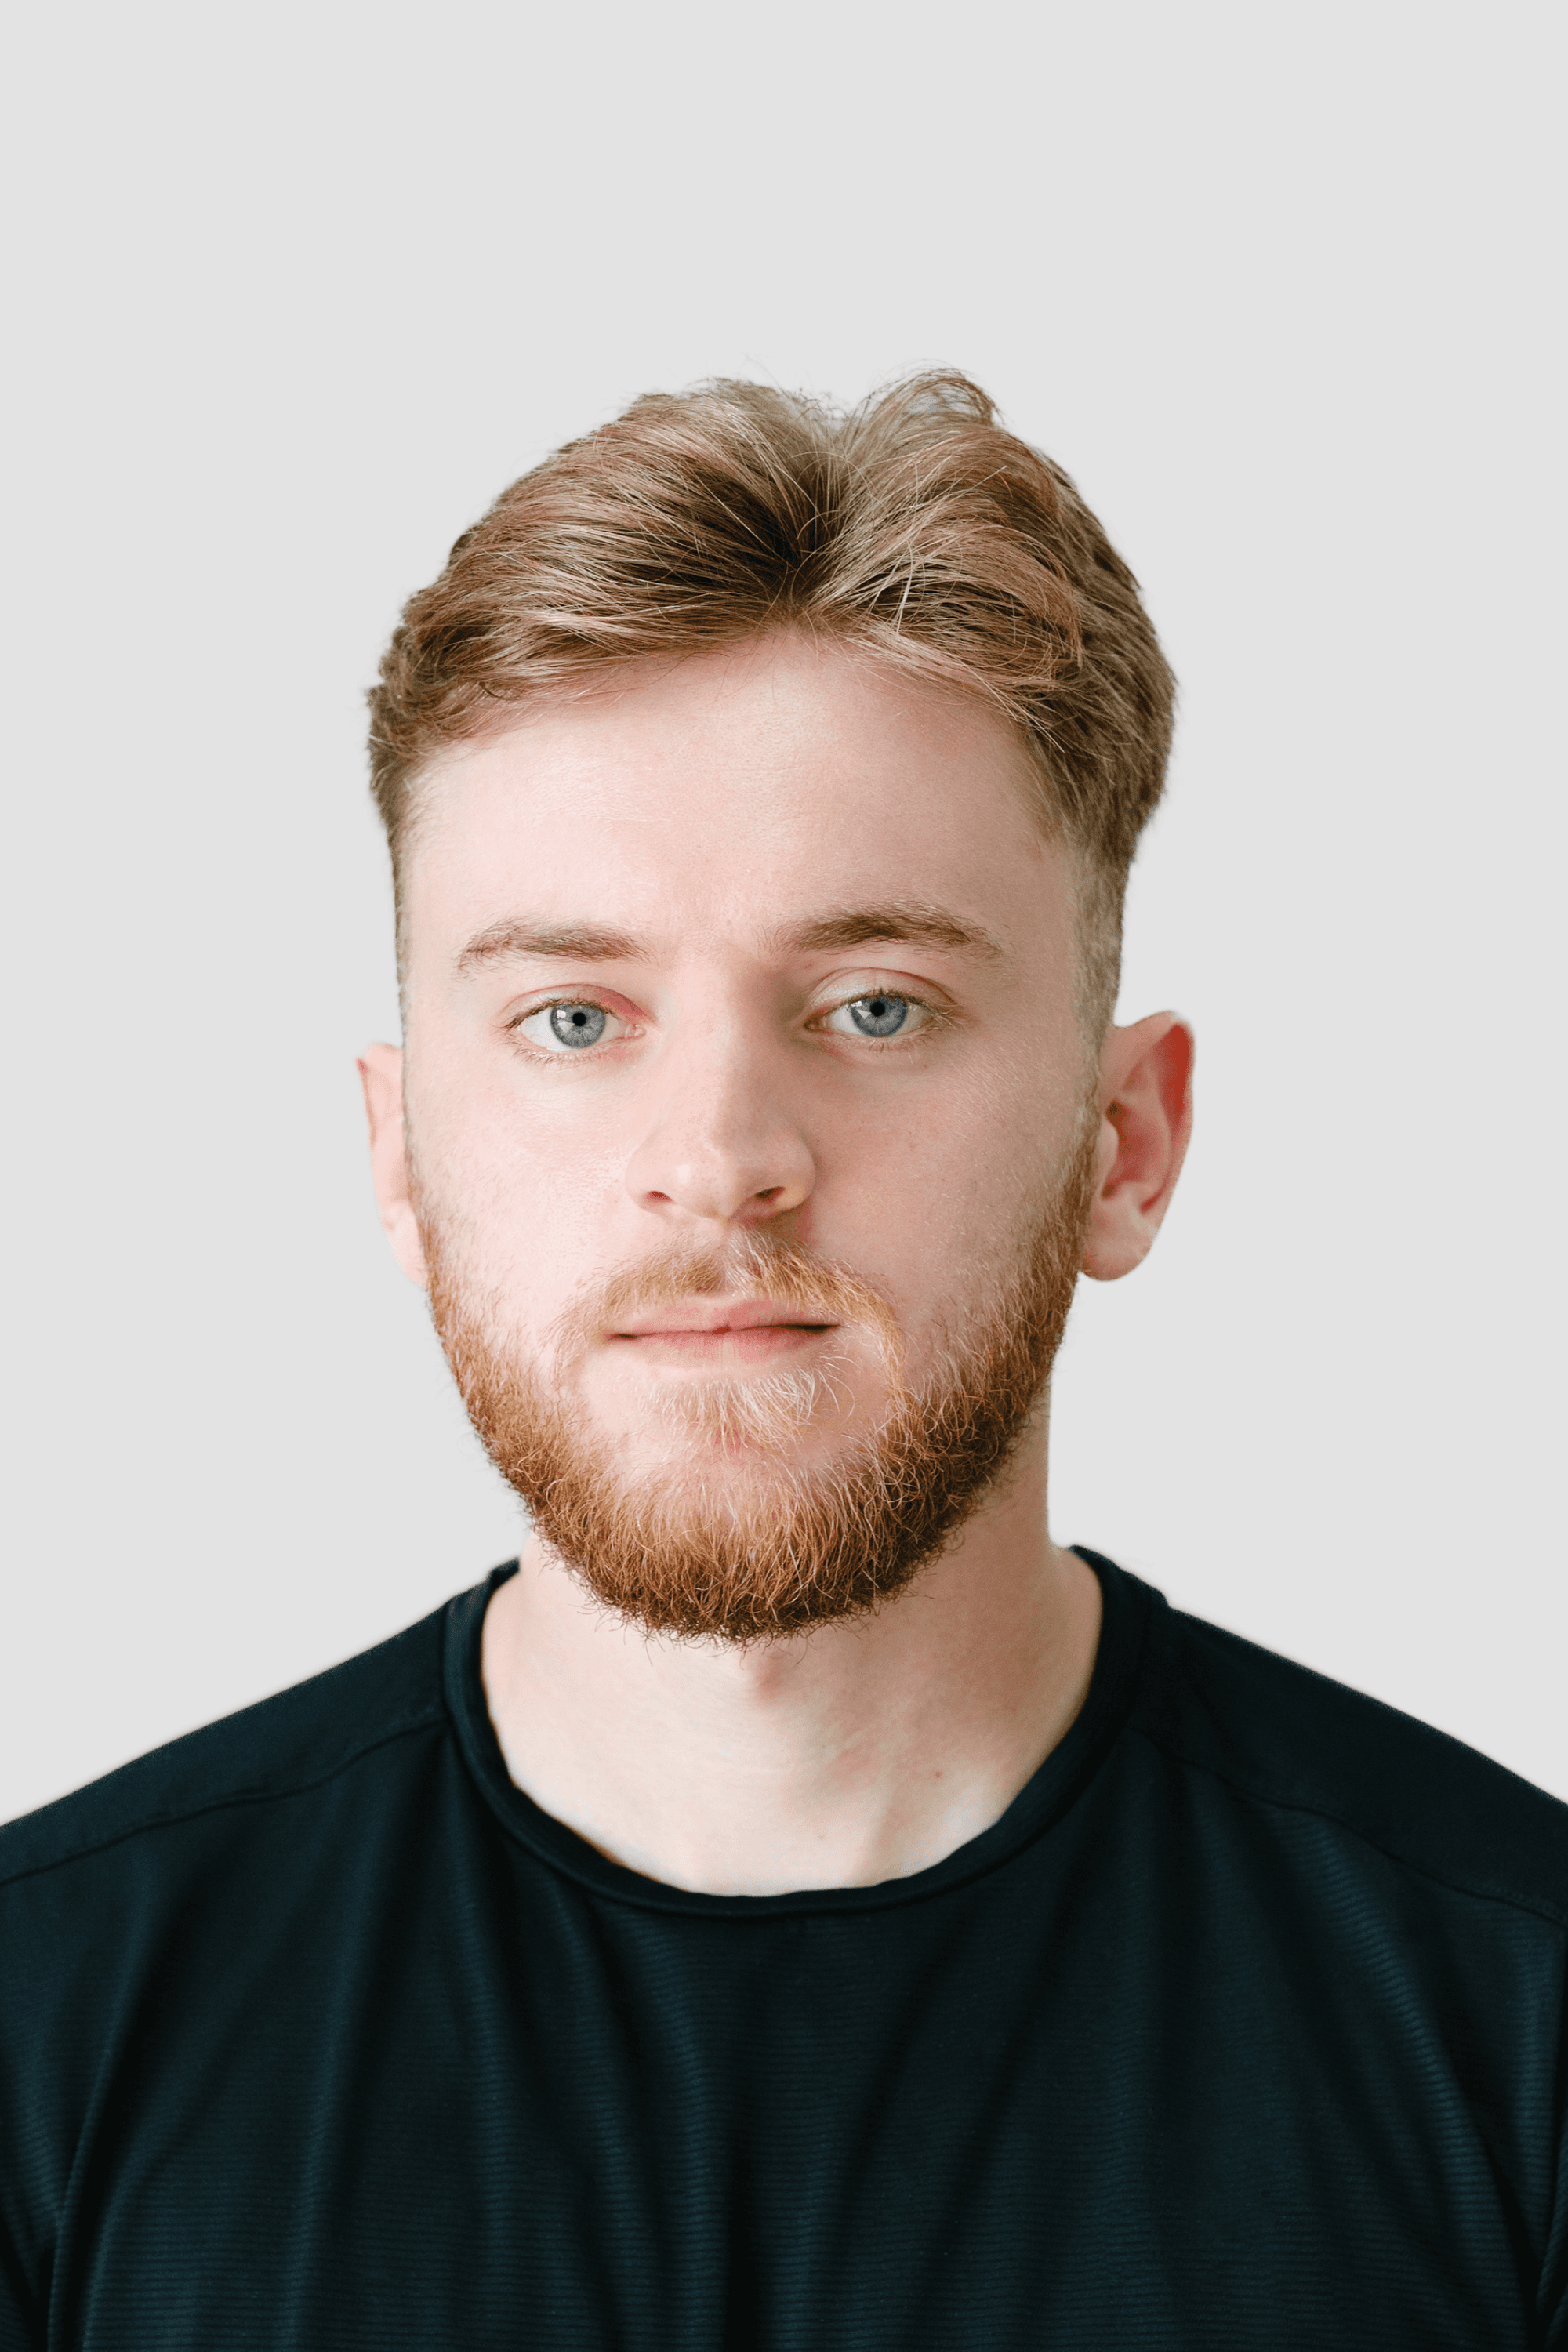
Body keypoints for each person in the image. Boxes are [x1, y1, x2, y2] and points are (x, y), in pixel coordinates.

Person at [2, 374, 1563, 2352]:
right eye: (575, 1019)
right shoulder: (46, 2032)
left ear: (1125, 1143)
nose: (722, 1156)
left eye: (875, 1005)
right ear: (400, 1158)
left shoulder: (1515, 2029)